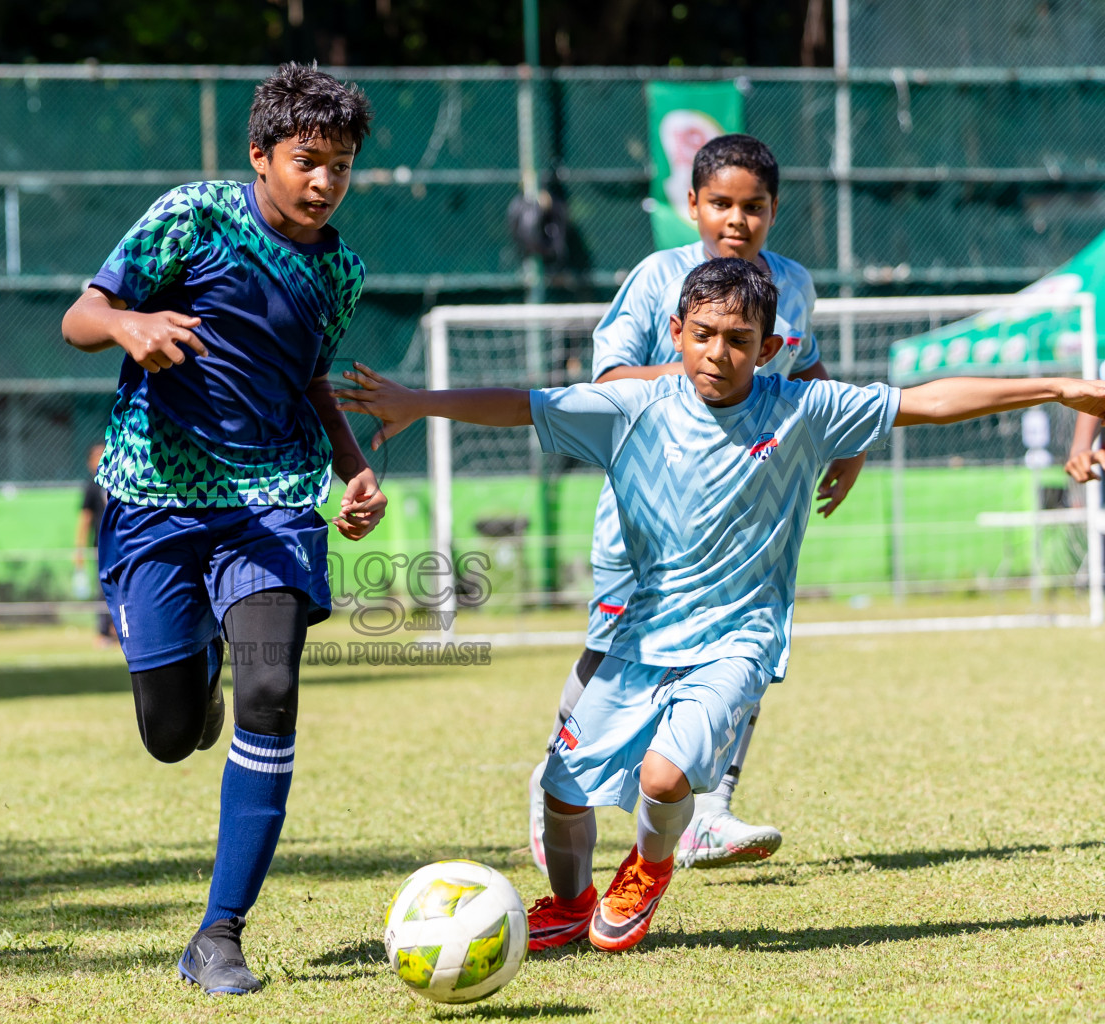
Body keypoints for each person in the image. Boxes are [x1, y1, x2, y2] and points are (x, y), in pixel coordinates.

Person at [336, 257, 1105, 953]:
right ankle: (570, 904)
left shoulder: (803, 409)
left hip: (740, 637)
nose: (717, 353)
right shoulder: (633, 409)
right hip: (638, 634)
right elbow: (521, 403)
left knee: (665, 780)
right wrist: (419, 401)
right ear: (676, 332)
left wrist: (1062, 387)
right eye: (702, 335)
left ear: (770, 349)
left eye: (738, 340)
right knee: (562, 789)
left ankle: (649, 864)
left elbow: (931, 402)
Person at [59, 62, 384, 996]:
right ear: (261, 155)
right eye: (306, 160)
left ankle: (218, 933)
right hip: (154, 494)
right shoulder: (193, 216)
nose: (323, 182)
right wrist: (129, 329)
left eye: (341, 166)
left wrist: (351, 465)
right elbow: (80, 316)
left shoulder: (342, 270)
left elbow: (308, 377)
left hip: (272, 501)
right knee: (169, 734)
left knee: (274, 689)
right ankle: (192, 670)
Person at [520, 134, 861, 874]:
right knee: (611, 650)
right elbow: (608, 378)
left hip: (746, 527)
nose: (737, 220)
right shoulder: (659, 276)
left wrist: (848, 442)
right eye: (722, 204)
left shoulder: (794, 283)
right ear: (693, 205)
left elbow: (804, 364)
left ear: (774, 211)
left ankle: (710, 810)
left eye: (754, 207)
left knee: (739, 653)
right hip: (648, 524)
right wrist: (709, 369)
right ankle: (559, 774)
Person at [74, 442, 115, 647]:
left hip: (123, 545)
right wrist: (79, 550)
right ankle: (103, 632)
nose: (100, 460)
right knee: (103, 589)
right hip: (101, 546)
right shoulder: (91, 486)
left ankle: (119, 630)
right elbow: (85, 519)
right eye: (96, 457)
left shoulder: (119, 482)